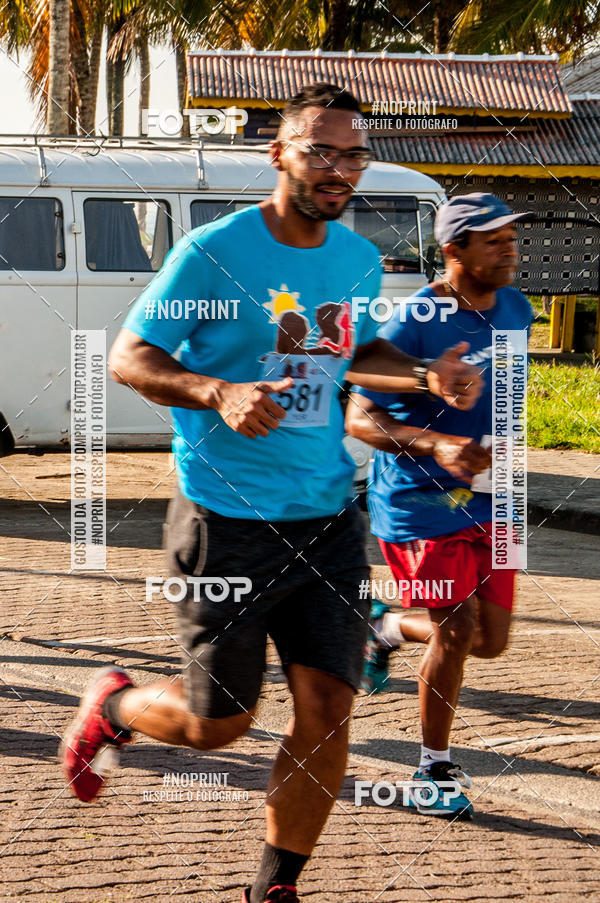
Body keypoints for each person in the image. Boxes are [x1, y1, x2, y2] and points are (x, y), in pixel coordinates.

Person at [61, 84, 482, 902]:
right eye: (320, 150)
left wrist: (425, 374)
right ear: (279, 153)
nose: (339, 169)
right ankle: (114, 706)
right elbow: (130, 356)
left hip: (328, 515)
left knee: (329, 707)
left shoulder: (356, 258)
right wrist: (216, 391)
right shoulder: (214, 252)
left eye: (353, 154)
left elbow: (352, 354)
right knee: (220, 725)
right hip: (227, 521)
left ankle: (273, 889)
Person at [346, 192, 533, 820]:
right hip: (420, 501)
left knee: (490, 642)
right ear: (454, 251)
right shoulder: (414, 321)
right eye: (493, 239)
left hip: (497, 494)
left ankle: (388, 626)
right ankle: (434, 770)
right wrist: (442, 444)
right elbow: (361, 414)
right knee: (456, 632)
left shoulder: (515, 306)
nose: (509, 247)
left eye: (512, 235)